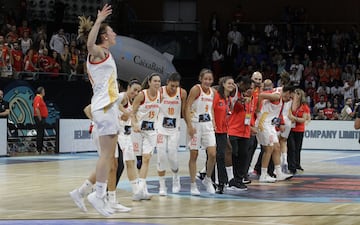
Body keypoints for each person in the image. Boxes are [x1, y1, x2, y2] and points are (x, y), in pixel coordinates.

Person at [75, 4, 125, 216]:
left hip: (109, 107)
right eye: (111, 31)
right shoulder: (97, 52)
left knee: (109, 156)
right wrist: (98, 21)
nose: (114, 34)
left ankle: (99, 194)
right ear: (104, 36)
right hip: (103, 107)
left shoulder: (107, 54)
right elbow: (88, 44)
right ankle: (97, 194)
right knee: (107, 156)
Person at [70, 105, 131, 214]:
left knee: (114, 166)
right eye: (134, 90)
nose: (135, 93)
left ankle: (82, 192)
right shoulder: (115, 96)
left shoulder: (114, 98)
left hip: (109, 130)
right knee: (110, 164)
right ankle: (101, 196)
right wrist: (95, 121)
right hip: (102, 130)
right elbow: (87, 109)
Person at [185, 68, 217, 195]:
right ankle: (193, 184)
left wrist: (213, 121)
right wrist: (189, 125)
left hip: (207, 125)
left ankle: (207, 179)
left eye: (210, 79)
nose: (208, 81)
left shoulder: (212, 92)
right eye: (206, 79)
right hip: (195, 124)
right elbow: (187, 107)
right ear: (200, 79)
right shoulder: (196, 89)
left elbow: (211, 109)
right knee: (194, 155)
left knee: (212, 154)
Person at [131, 73, 161, 200]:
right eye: (155, 81)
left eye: (159, 81)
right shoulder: (142, 95)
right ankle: (140, 189)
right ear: (149, 82)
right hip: (138, 130)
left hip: (151, 131)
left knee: (147, 159)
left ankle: (142, 189)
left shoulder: (161, 95)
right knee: (138, 161)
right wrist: (134, 124)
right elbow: (132, 112)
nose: (157, 83)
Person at [156, 72, 187, 196]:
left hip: (175, 129)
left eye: (176, 86)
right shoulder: (159, 92)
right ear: (167, 82)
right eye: (172, 86)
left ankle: (175, 177)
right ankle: (162, 185)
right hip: (160, 128)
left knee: (173, 157)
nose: (174, 88)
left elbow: (184, 111)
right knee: (161, 156)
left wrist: (190, 125)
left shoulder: (182, 93)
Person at [227, 76, 253, 191]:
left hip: (245, 132)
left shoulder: (248, 98)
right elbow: (230, 89)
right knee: (234, 155)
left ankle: (239, 179)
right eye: (247, 87)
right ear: (241, 84)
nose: (248, 90)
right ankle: (230, 180)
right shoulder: (235, 92)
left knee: (243, 156)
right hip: (233, 130)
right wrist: (234, 85)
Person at [117, 79, 142, 197]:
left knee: (131, 162)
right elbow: (114, 104)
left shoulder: (132, 102)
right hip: (117, 136)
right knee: (116, 165)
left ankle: (136, 191)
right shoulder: (122, 96)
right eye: (134, 90)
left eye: (138, 91)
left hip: (127, 136)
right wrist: (126, 113)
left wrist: (135, 125)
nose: (136, 93)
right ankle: (99, 188)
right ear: (128, 88)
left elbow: (130, 118)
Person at [212, 76, 235, 193]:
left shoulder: (228, 99)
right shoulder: (217, 96)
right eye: (229, 83)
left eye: (233, 83)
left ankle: (221, 182)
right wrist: (213, 124)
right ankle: (214, 181)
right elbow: (211, 109)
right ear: (223, 84)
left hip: (223, 131)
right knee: (214, 155)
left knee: (220, 155)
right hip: (213, 130)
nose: (231, 85)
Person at [287, 89, 311, 174]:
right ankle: (291, 166)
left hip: (299, 129)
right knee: (291, 148)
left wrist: (294, 118)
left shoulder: (304, 106)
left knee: (297, 148)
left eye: (297, 94)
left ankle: (297, 164)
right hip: (290, 129)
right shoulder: (290, 104)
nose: (295, 95)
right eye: (294, 93)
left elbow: (304, 119)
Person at [33, 86, 48, 154]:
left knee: (41, 133)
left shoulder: (40, 98)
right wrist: (40, 119)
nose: (44, 92)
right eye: (44, 91)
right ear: (41, 92)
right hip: (39, 118)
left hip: (41, 117)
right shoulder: (38, 98)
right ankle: (38, 149)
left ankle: (40, 149)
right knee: (40, 133)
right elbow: (36, 108)